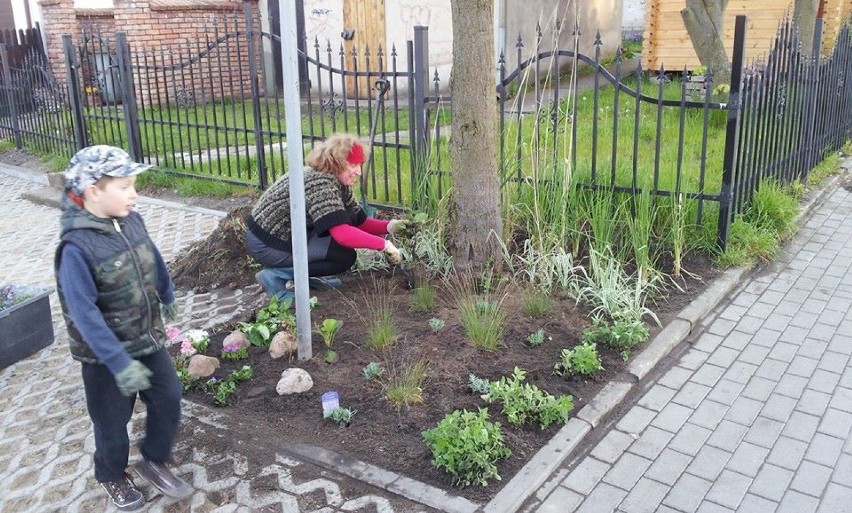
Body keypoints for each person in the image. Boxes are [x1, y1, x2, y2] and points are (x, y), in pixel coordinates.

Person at [54, 146, 194, 511]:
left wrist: (166, 291)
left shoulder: (131, 219)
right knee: (112, 422)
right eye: (125, 186)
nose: (134, 194)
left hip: (146, 338)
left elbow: (151, 253)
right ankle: (112, 474)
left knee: (168, 396)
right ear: (94, 190)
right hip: (105, 359)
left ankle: (153, 458)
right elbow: (83, 314)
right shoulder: (75, 249)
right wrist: (117, 361)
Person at [247, 133, 409, 299]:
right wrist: (384, 245)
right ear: (337, 162)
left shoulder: (335, 180)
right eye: (353, 165)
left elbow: (359, 221)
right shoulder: (320, 184)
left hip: (289, 237)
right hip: (269, 244)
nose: (359, 172)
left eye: (360, 165)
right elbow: (343, 234)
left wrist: (390, 226)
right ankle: (275, 276)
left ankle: (303, 279)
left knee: (340, 253)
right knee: (342, 257)